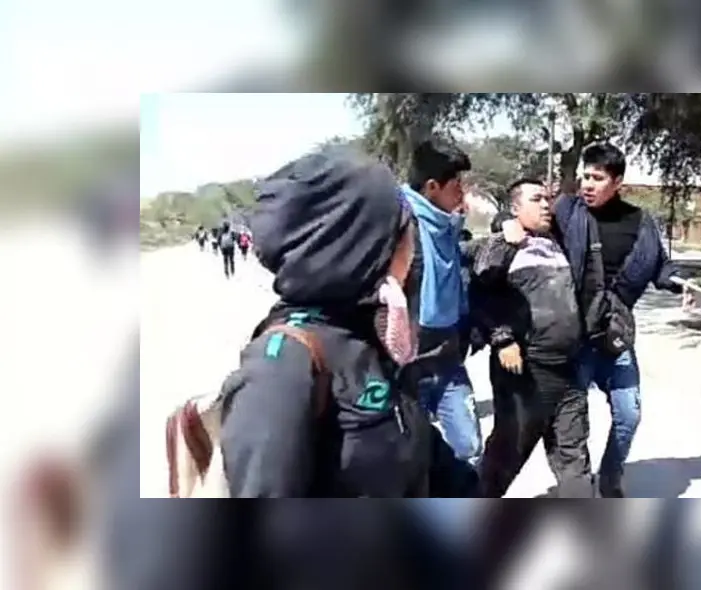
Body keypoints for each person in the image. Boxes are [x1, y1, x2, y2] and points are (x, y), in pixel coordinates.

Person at [219, 145, 433, 497]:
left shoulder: (372, 337)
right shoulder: (281, 369)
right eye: (405, 234)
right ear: (365, 248)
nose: (414, 250)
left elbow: (430, 462)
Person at [549, 142, 688, 497]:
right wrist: (508, 225)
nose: (587, 184)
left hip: (614, 334)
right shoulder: (567, 211)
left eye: (597, 178)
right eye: (585, 176)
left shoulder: (642, 223)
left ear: (618, 181)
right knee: (572, 424)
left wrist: (680, 281)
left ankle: (611, 477)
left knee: (629, 415)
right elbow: (531, 225)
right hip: (575, 337)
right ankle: (578, 487)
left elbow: (660, 266)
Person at [470, 179, 595, 498]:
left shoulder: (555, 243)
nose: (545, 205)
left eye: (547, 199)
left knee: (573, 457)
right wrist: (501, 339)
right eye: (536, 199)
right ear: (515, 208)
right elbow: (480, 293)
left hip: (568, 371)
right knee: (506, 456)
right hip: (525, 373)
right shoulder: (501, 245)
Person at [398, 137, 482, 496]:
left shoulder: (446, 224)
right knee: (411, 459)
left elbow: (458, 265)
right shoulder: (398, 226)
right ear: (432, 187)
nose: (461, 193)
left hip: (447, 359)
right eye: (456, 185)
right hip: (409, 365)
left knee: (469, 446)